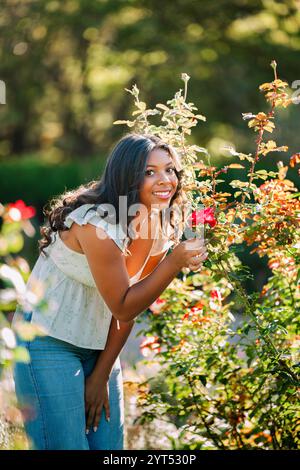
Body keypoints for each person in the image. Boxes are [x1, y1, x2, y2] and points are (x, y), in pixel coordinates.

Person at [12, 132, 207, 450]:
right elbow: (123, 305)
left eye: (170, 169)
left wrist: (101, 374)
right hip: (46, 342)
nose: (165, 180)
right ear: (127, 176)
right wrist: (173, 263)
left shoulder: (157, 221)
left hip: (98, 345)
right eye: (150, 171)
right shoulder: (97, 225)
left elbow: (130, 303)